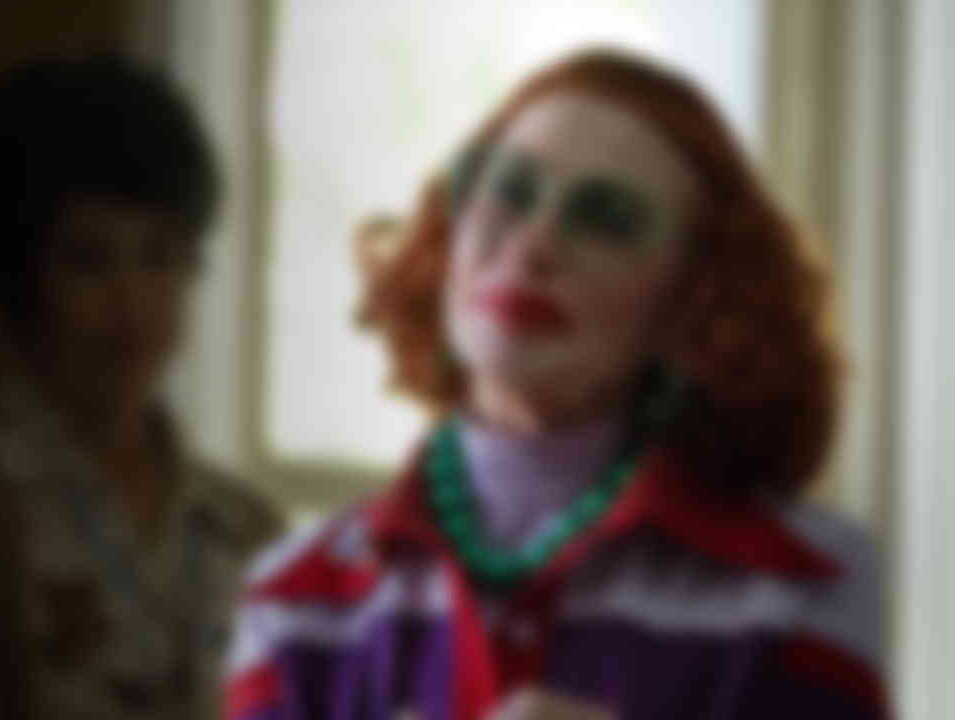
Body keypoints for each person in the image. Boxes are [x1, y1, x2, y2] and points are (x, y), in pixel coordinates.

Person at [224, 50, 887, 720]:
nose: (535, 243)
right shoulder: (296, 591)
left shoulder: (800, 580)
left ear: (692, 300)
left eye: (608, 218)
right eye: (508, 191)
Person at [0, 55, 283, 720]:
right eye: (88, 261)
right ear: (18, 283)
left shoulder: (244, 528)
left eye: (160, 257)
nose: (133, 302)